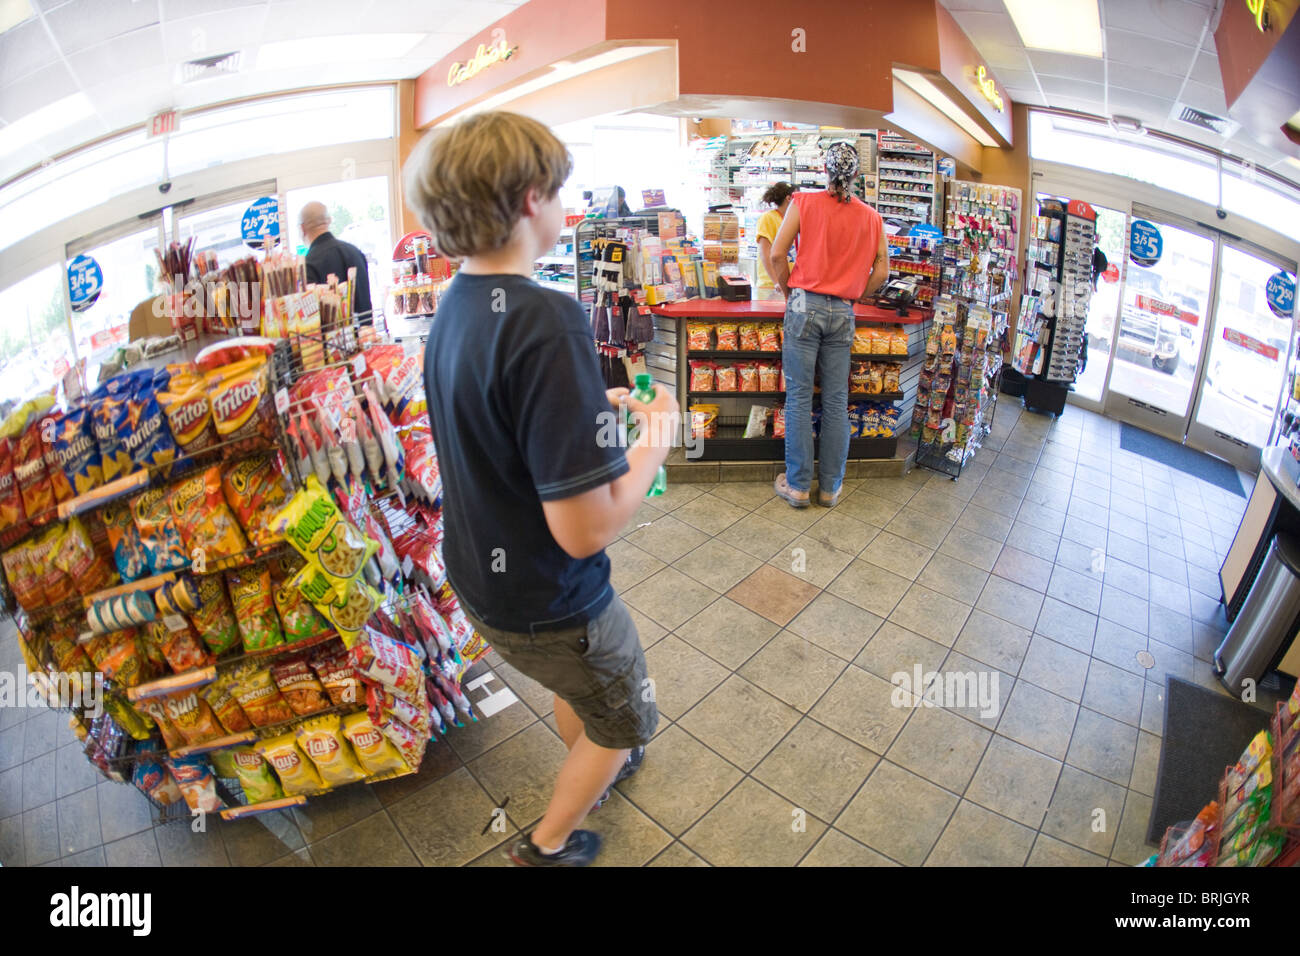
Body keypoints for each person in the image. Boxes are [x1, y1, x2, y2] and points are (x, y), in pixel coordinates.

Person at [404, 111, 675, 867]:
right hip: (555, 600)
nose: (570, 205)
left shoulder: (454, 307)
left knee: (580, 690)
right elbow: (586, 531)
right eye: (562, 190)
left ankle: (596, 759)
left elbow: (499, 428)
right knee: (621, 714)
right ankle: (550, 842)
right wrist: (660, 432)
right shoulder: (550, 320)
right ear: (530, 199)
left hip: (482, 582)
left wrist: (590, 410)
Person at [768, 142, 889, 509]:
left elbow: (776, 254)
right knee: (837, 400)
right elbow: (882, 270)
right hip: (843, 309)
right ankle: (830, 488)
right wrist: (855, 297)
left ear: (825, 169)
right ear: (856, 174)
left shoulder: (803, 203)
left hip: (805, 302)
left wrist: (792, 293)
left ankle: (799, 485)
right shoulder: (872, 217)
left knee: (800, 398)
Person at [298, 201, 373, 320]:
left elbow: (311, 319)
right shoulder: (356, 252)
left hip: (330, 338)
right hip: (366, 335)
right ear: (328, 221)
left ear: (302, 228)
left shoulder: (308, 265)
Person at [755, 181, 795, 292]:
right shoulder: (768, 218)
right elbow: (765, 253)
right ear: (789, 198)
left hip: (789, 283)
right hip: (771, 285)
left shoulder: (792, 219)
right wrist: (776, 281)